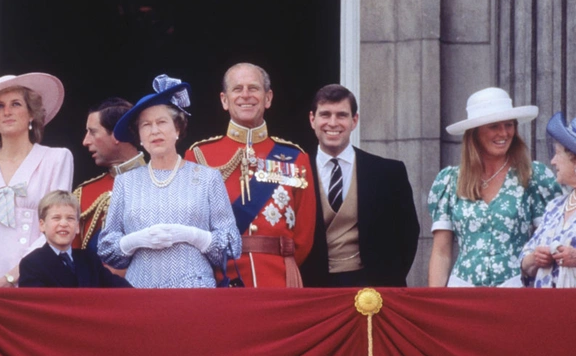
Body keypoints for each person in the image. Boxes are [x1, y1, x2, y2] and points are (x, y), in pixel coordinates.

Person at [98, 74, 241, 288]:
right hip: (140, 292)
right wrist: (135, 240)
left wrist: (193, 235)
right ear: (139, 136)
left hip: (195, 291)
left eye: (161, 122)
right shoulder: (125, 183)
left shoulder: (207, 178)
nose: (154, 130)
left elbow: (232, 244)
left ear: (177, 129)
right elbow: (107, 249)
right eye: (146, 125)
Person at [185, 63, 315, 287]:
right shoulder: (198, 156)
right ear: (224, 100)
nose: (246, 95)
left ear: (268, 98)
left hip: (279, 280)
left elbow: (304, 236)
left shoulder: (295, 157)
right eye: (237, 89)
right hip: (219, 280)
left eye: (253, 88)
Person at [428, 87, 561, 287]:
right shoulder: (450, 180)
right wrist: (435, 304)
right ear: (474, 132)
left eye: (509, 125)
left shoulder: (533, 176)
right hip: (463, 291)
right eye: (494, 126)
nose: (504, 133)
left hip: (515, 289)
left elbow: (550, 240)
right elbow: (441, 252)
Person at [0, 73, 74, 288]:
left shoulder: (56, 159)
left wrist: (10, 278)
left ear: (31, 114)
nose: (7, 112)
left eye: (16, 104)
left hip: (36, 278)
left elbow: (55, 226)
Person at [301, 85, 420, 287]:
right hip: (312, 287)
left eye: (341, 115)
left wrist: (386, 282)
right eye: (325, 114)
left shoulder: (389, 172)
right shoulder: (294, 170)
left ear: (354, 120)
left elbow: (408, 233)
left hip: (372, 287)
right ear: (312, 119)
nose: (333, 123)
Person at [73, 98, 145, 256]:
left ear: (118, 134)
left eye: (92, 132)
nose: (85, 141)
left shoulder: (163, 181)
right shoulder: (83, 193)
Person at [19, 190, 131, 288]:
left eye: (70, 218)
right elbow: (34, 306)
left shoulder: (89, 260)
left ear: (77, 227)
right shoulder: (31, 263)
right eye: (56, 218)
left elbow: (121, 290)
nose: (63, 223)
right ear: (42, 225)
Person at [519, 112, 576, 287]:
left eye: (558, 154)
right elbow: (524, 261)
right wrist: (535, 259)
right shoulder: (555, 206)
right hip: (548, 308)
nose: (552, 161)